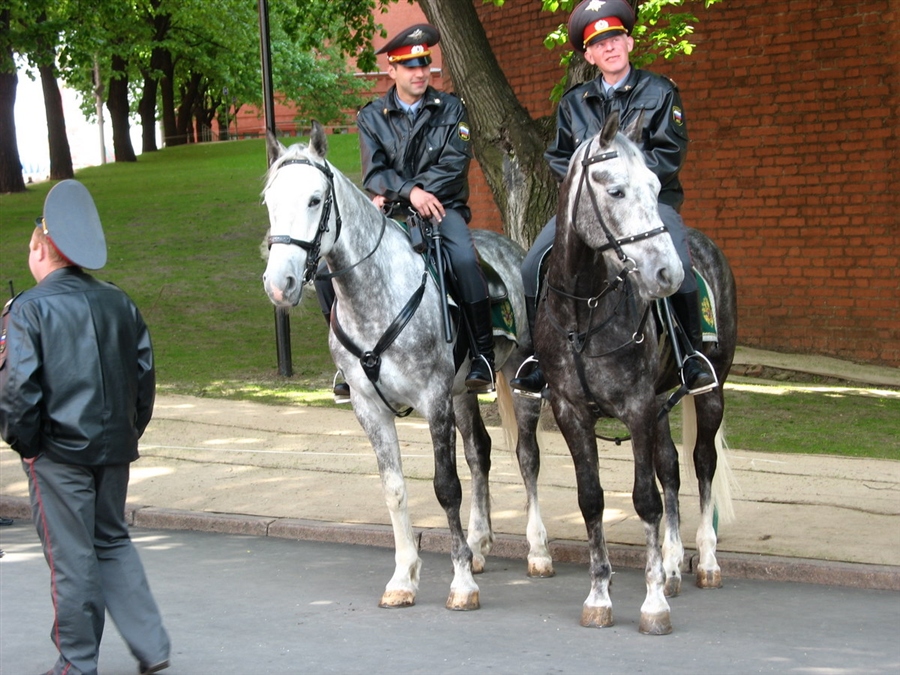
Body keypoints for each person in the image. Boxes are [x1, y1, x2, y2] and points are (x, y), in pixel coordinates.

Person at [0, 180, 170, 675]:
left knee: (71, 558)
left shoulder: (27, 308)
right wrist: (127, 433)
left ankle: (75, 663)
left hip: (58, 453)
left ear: (40, 250)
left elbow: (18, 392)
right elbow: (144, 377)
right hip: (113, 447)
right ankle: (153, 646)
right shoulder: (120, 301)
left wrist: (28, 446)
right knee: (112, 541)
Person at [510, 0, 717, 396]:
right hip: (591, 209)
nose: (610, 48)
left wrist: (629, 178)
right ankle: (536, 358)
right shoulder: (574, 103)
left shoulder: (659, 91)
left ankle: (691, 355)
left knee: (675, 256)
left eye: (616, 38)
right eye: (600, 43)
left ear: (630, 42)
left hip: (647, 202)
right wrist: (588, 187)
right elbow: (558, 156)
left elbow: (670, 151)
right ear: (589, 55)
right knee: (533, 262)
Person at [316, 23, 495, 398]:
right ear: (392, 71)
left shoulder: (451, 108)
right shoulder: (371, 117)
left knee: (463, 259)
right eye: (410, 67)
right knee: (324, 269)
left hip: (442, 209)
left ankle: (483, 356)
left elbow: (453, 165)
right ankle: (347, 362)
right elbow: (374, 170)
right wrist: (405, 193)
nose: (419, 73)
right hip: (391, 212)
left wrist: (411, 192)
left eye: (424, 65)